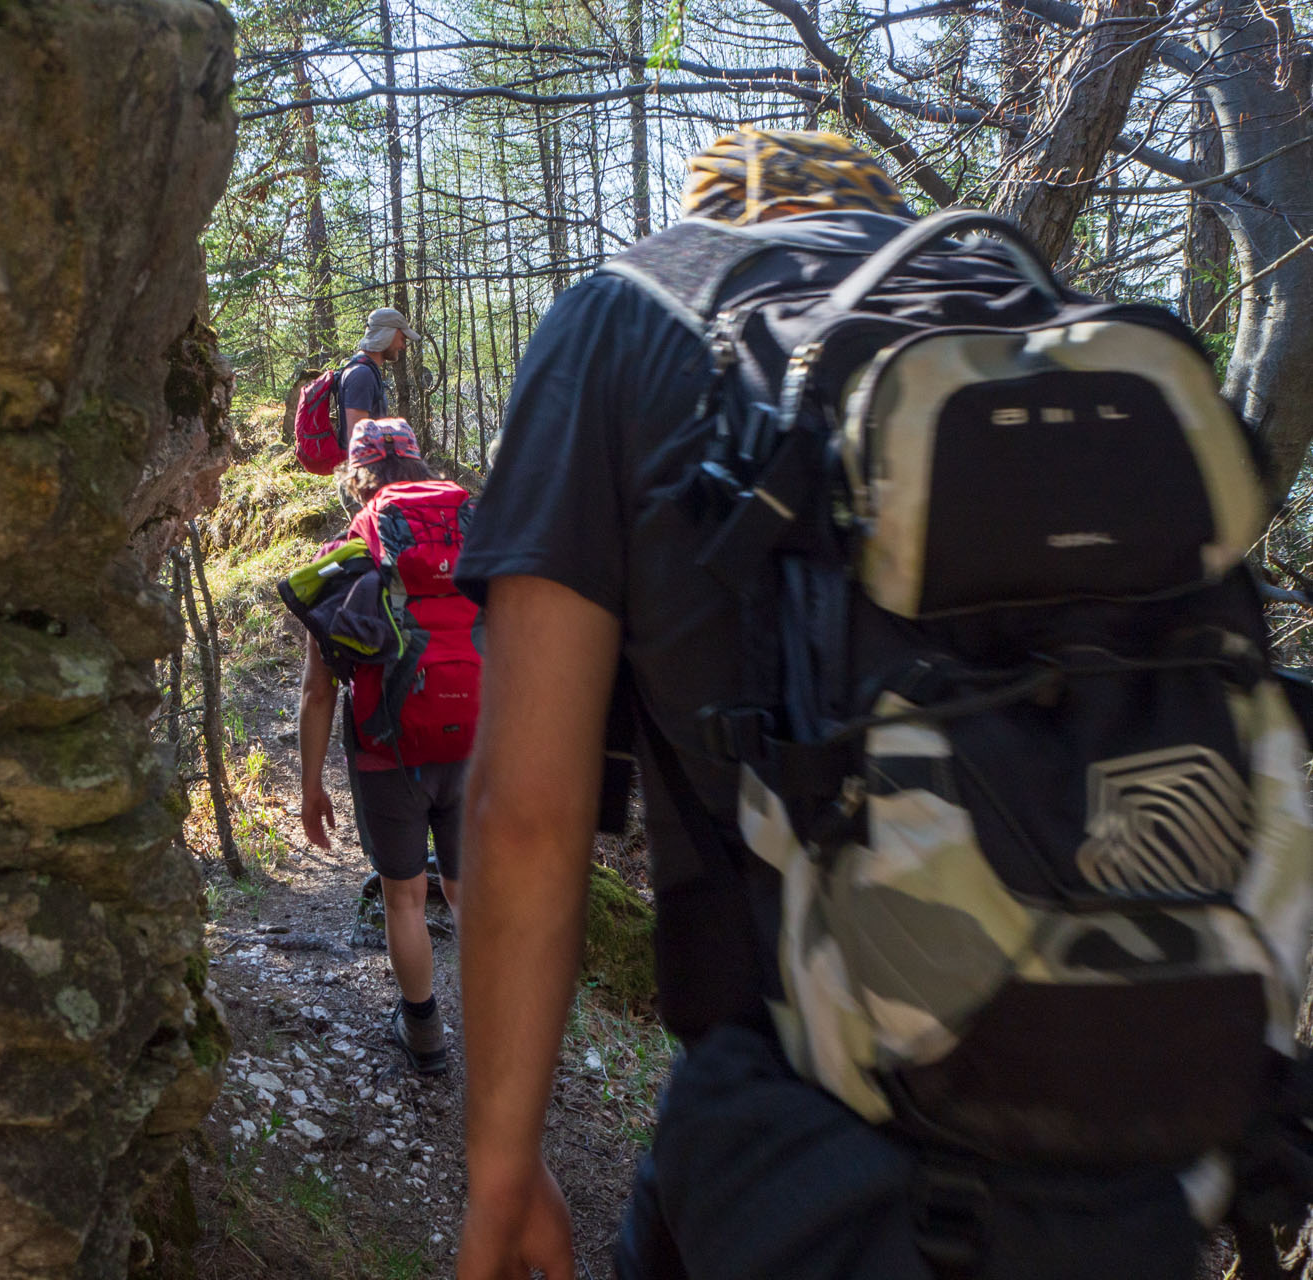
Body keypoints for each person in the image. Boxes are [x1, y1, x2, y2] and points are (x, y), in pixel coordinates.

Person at [452, 128, 1218, 1280]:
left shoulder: (626, 318)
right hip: (1143, 1135)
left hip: (809, 1146)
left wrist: (500, 1166)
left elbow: (525, 808)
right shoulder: (1048, 321)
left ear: (713, 213)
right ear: (877, 208)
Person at [298, 417, 478, 1075]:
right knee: (469, 892)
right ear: (419, 463)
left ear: (356, 474)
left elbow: (319, 692)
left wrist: (310, 784)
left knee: (404, 896)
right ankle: (497, 1027)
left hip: (387, 751)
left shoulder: (349, 546)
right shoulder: (471, 525)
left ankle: (424, 1036)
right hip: (477, 744)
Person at [338, 307, 421, 446]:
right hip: (363, 467)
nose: (403, 346)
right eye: (401, 338)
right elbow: (357, 442)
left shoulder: (366, 371)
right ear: (387, 334)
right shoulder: (361, 375)